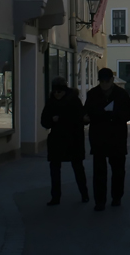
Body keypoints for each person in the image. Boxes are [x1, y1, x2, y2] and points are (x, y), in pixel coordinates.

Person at [84, 68, 130, 211]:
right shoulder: (93, 94)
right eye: (102, 82)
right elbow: (86, 112)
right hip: (98, 137)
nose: (104, 84)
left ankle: (116, 197)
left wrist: (117, 115)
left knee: (118, 170)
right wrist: (87, 118)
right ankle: (100, 201)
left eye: (107, 81)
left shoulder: (121, 94)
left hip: (117, 136)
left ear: (112, 81)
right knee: (99, 171)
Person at [40, 77, 88, 205]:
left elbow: (81, 118)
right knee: (55, 169)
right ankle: (55, 197)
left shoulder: (73, 101)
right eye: (55, 92)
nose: (57, 94)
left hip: (73, 139)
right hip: (57, 140)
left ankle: (84, 194)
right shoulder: (51, 102)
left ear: (65, 91)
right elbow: (44, 121)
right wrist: (52, 120)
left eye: (59, 92)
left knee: (77, 168)